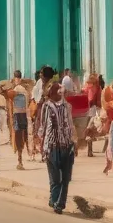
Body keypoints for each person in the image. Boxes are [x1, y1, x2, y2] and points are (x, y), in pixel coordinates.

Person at [37, 80, 76, 213]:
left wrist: (73, 142)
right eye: (59, 92)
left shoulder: (67, 106)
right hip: (52, 147)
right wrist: (42, 145)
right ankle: (54, 199)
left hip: (67, 146)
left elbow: (70, 125)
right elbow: (42, 126)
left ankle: (59, 204)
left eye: (62, 92)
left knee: (65, 178)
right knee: (55, 178)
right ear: (53, 93)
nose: (61, 94)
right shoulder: (46, 107)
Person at [5, 72, 30, 170]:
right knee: (24, 137)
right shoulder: (25, 90)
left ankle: (20, 161)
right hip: (25, 115)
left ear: (15, 78)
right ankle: (21, 159)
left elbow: (11, 102)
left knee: (18, 138)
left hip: (17, 115)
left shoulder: (15, 90)